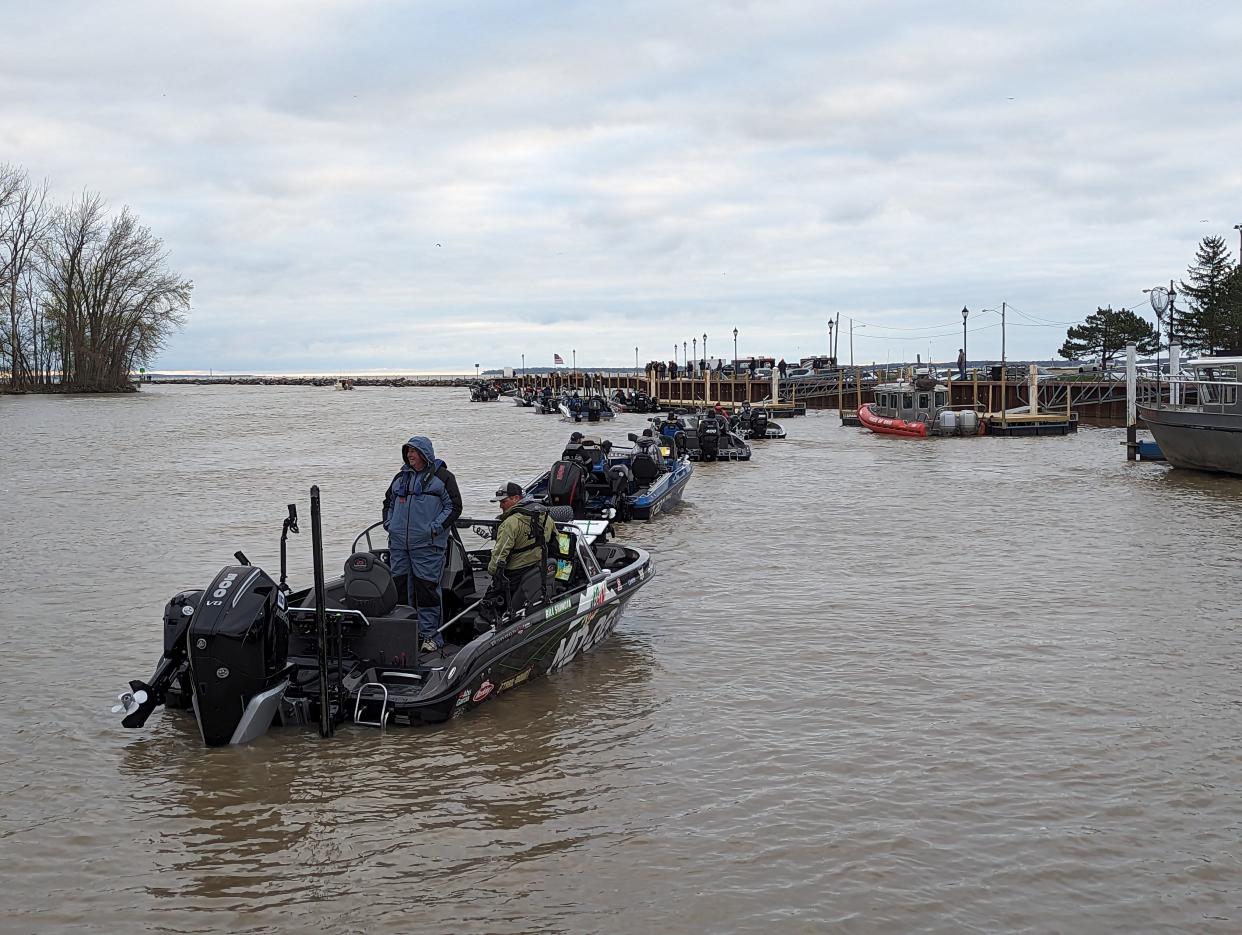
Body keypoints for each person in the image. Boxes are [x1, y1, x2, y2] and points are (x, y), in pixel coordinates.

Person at [382, 436, 462, 652]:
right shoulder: (400, 478)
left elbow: (454, 507)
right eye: (408, 451)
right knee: (398, 588)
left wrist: (434, 528)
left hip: (428, 545)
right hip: (399, 545)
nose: (410, 455)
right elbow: (387, 503)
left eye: (414, 451)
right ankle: (403, 633)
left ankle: (430, 637)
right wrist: (390, 524)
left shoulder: (443, 478)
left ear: (425, 453)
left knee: (427, 590)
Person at [487, 482, 556, 614]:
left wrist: (492, 573)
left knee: (487, 606)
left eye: (503, 501)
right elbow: (555, 543)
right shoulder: (547, 518)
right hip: (538, 569)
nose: (500, 506)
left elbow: (499, 555)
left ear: (516, 498)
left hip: (514, 575)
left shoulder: (510, 523)